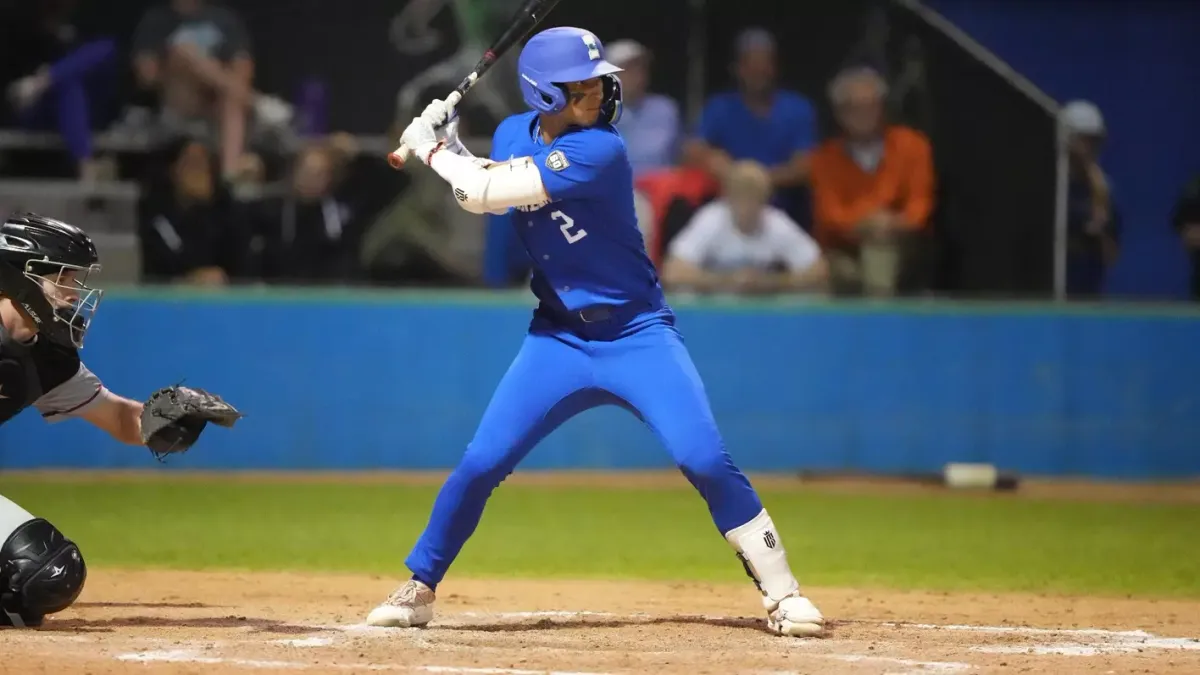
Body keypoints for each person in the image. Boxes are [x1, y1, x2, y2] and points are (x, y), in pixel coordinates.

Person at [367, 27, 824, 638]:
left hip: (637, 334)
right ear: (541, 94)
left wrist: (429, 149)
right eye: (579, 87)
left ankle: (784, 593)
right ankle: (419, 587)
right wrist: (447, 137)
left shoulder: (601, 151)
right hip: (556, 338)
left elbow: (478, 191)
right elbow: (487, 183)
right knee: (481, 461)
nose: (599, 94)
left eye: (597, 82)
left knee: (703, 457)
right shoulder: (511, 134)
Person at [0, 212, 241, 628]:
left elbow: (118, 417)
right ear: (21, 278)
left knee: (45, 574)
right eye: (63, 279)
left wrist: (168, 415)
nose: (75, 294)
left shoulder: (49, 360)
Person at [663, 160, 827, 295]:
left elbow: (818, 271)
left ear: (766, 199)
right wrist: (728, 280)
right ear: (727, 197)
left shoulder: (777, 222)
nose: (746, 205)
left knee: (810, 294)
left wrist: (769, 282)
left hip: (766, 307)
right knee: (683, 293)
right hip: (717, 306)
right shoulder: (711, 219)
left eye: (753, 196)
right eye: (740, 195)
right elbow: (672, 272)